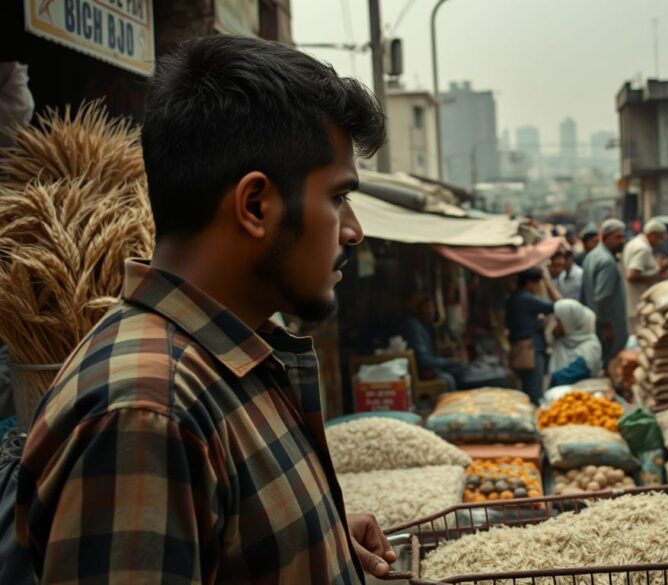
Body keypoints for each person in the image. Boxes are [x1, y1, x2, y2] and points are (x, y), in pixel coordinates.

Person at [16, 36, 397, 584]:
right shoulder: (147, 415)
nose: (354, 231)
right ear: (256, 205)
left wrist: (316, 543)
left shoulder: (230, 360)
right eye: (338, 197)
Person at [507, 268, 559, 403]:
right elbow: (559, 305)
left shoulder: (514, 297)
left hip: (519, 348)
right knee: (534, 392)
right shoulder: (526, 298)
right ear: (530, 283)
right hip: (531, 349)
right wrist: (548, 283)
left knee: (526, 389)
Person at [581, 220, 629, 366]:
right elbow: (602, 297)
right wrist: (607, 326)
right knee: (610, 364)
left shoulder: (592, 255)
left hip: (595, 322)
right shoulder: (606, 261)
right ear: (605, 237)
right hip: (608, 325)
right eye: (617, 237)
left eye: (623, 237)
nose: (622, 241)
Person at [401, 294, 461, 391]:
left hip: (431, 366)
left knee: (460, 371)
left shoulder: (426, 326)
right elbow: (424, 361)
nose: (430, 311)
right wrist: (450, 361)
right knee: (448, 380)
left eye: (432, 307)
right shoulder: (413, 326)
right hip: (424, 372)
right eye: (427, 307)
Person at [623, 219, 668, 332]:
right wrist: (659, 271)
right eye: (659, 238)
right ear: (652, 234)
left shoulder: (634, 243)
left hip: (634, 303)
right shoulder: (642, 248)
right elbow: (632, 275)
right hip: (638, 304)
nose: (659, 242)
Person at [548, 299, 603, 387]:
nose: (555, 325)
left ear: (569, 322)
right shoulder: (564, 339)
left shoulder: (591, 346)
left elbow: (572, 374)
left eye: (558, 321)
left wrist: (551, 379)